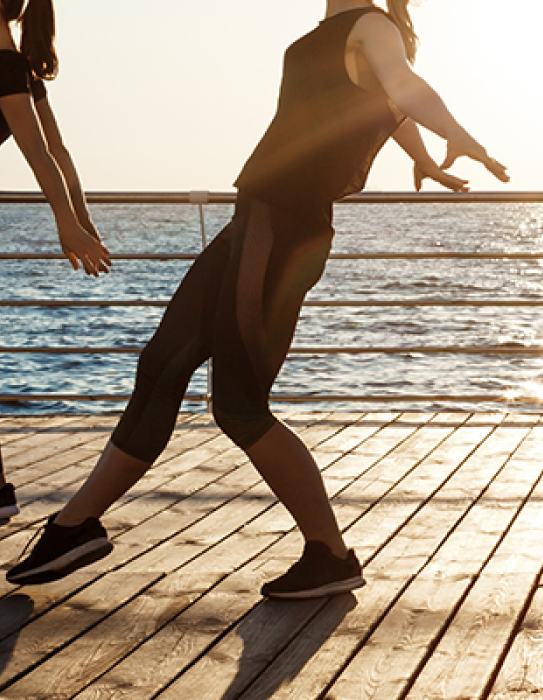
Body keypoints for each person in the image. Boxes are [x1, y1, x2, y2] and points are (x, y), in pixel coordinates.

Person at [5, 0, 506, 598]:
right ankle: (75, 526)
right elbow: (387, 105)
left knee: (238, 406)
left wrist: (461, 137)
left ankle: (330, 553)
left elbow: (402, 85)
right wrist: (424, 157)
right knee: (162, 362)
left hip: (283, 230)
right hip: (256, 220)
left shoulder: (370, 25)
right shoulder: (333, 35)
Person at [0, 0, 111, 520]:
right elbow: (58, 151)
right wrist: (80, 218)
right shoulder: (18, 68)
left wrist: (69, 223)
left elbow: (39, 150)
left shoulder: (6, 68)